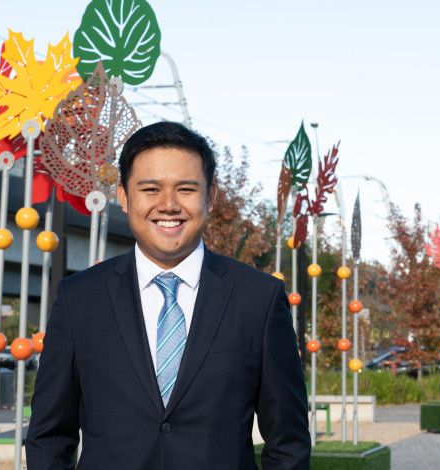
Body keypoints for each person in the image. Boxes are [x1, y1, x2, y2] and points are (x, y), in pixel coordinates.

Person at [25, 121, 310, 469]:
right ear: (124, 198)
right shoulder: (79, 299)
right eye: (150, 189)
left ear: (211, 196)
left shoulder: (258, 299)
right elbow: (48, 436)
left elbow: (289, 442)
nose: (169, 205)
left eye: (186, 189)